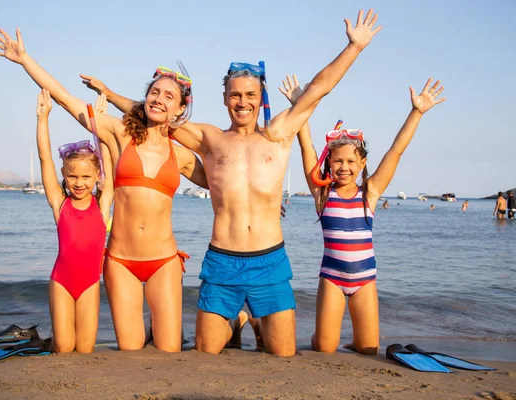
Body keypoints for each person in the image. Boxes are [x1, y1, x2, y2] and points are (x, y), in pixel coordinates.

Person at [85, 9, 382, 356]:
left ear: (260, 99)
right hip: (222, 260)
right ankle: (238, 319)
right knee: (205, 351)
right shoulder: (210, 140)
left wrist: (354, 48)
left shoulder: (278, 136)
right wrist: (111, 93)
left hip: (269, 260)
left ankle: (249, 319)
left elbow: (319, 89)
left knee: (283, 353)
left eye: (250, 94)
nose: (243, 101)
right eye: (235, 94)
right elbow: (157, 113)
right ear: (225, 98)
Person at [0, 29, 209, 352]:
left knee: (169, 352)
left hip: (163, 259)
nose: (159, 99)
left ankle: (161, 327)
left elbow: (222, 183)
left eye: (168, 96)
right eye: (154, 92)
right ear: (145, 97)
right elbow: (66, 99)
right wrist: (25, 60)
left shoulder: (181, 156)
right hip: (121, 260)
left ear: (179, 110)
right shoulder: (120, 134)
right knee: (131, 349)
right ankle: (143, 330)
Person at [281, 73, 445, 355]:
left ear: (362, 163)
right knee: (324, 348)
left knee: (369, 350)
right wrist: (300, 105)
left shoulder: (369, 193)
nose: (344, 167)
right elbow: (305, 146)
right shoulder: (322, 194)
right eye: (337, 161)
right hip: (332, 278)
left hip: (364, 280)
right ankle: (319, 336)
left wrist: (416, 112)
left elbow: (396, 151)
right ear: (328, 163)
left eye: (350, 161)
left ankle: (356, 341)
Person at [36, 89, 113, 353]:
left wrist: (100, 122)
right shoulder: (60, 204)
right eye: (72, 177)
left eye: (86, 177)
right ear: (64, 176)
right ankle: (54, 338)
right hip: (61, 282)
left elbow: (108, 159)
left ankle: (53, 337)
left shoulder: (103, 205)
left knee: (85, 349)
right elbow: (45, 159)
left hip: (90, 283)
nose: (79, 183)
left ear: (96, 177)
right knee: (65, 348)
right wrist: (43, 119)